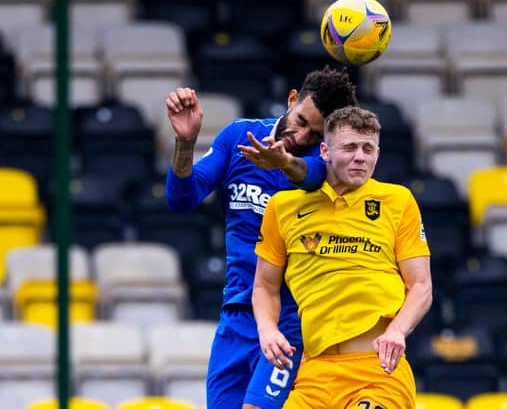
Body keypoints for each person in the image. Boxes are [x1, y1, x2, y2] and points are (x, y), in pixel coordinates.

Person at [164, 67, 358, 409]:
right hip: (235, 315)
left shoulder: (324, 164)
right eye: (301, 121)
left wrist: (283, 162)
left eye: (315, 135)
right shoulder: (239, 136)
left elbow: (311, 177)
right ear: (292, 99)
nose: (301, 138)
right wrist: (185, 143)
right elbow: (182, 200)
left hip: (289, 320)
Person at [252, 106, 433, 409]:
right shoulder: (282, 207)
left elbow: (422, 286)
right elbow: (264, 287)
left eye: (368, 148)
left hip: (377, 372)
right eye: (349, 147)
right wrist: (268, 329)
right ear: (324, 150)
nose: (360, 157)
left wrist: (398, 331)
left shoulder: (398, 201)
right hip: (314, 375)